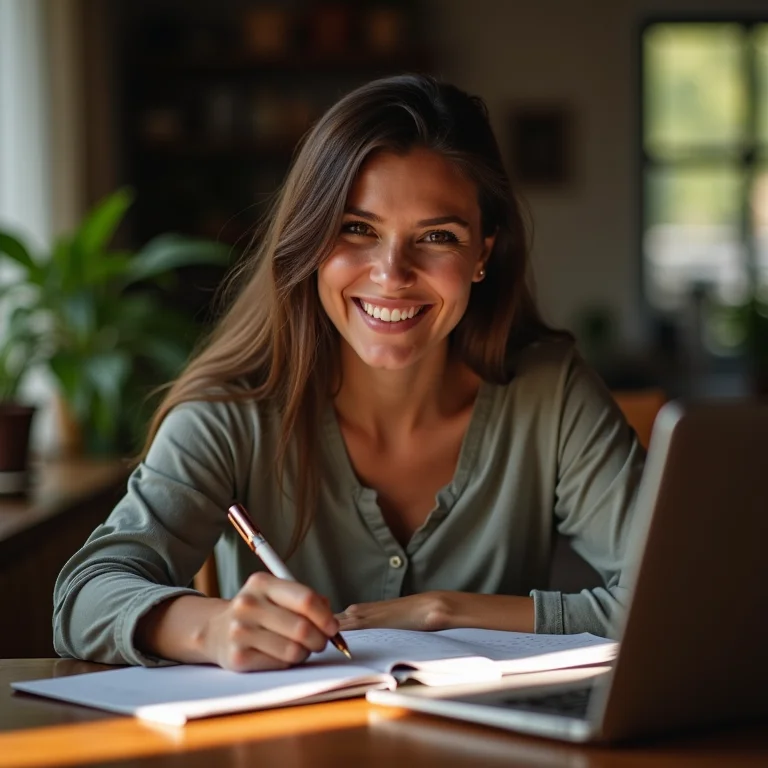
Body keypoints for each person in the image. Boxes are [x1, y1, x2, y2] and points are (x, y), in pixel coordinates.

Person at [53, 74, 645, 672]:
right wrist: (209, 628)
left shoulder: (552, 394)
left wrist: (446, 612)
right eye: (357, 229)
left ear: (483, 254)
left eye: (438, 237)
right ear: (310, 237)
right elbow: (82, 596)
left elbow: (673, 596)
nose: (392, 274)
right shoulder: (231, 412)